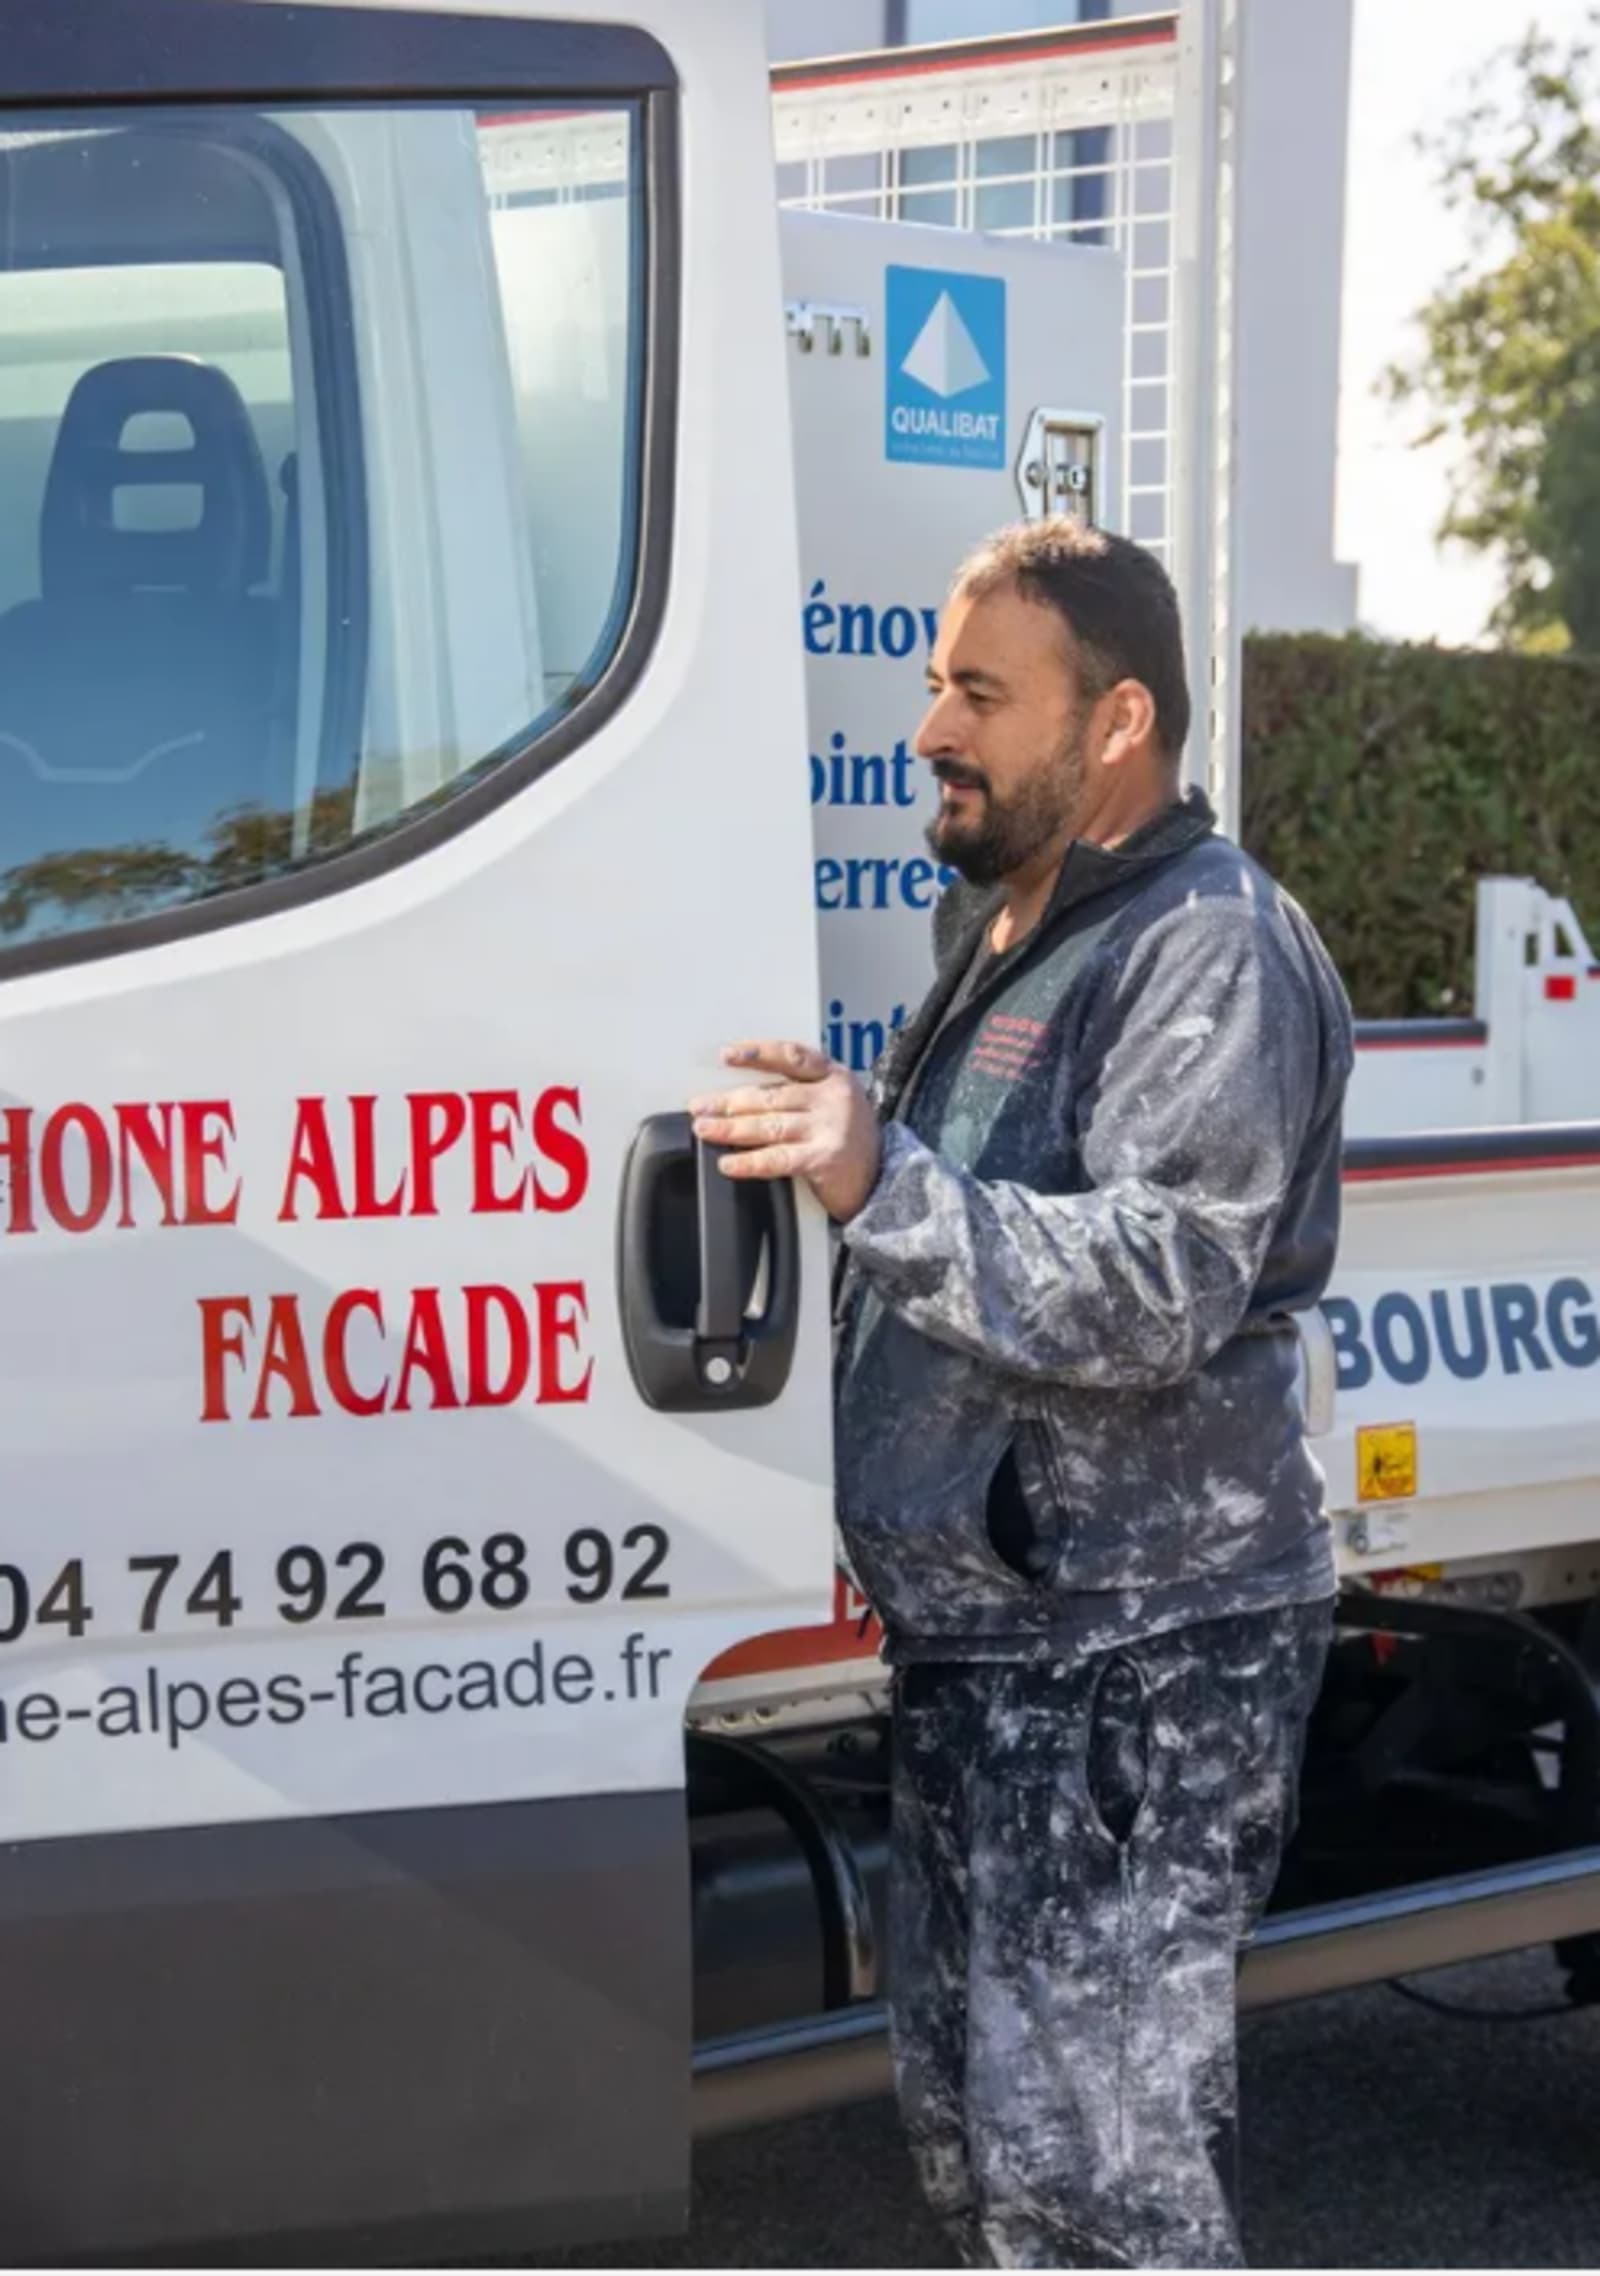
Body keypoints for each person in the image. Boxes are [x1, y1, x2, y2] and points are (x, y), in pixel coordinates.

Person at [689, 518, 1354, 2270]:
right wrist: (848, 1138)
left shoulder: (1211, 943)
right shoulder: (1005, 927)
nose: (931, 728)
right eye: (931, 686)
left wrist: (878, 1180)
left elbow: (1163, 1285)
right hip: (998, 1654)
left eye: (982, 691)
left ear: (1116, 719)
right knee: (996, 2174)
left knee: (1105, 2201)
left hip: (1139, 1663)